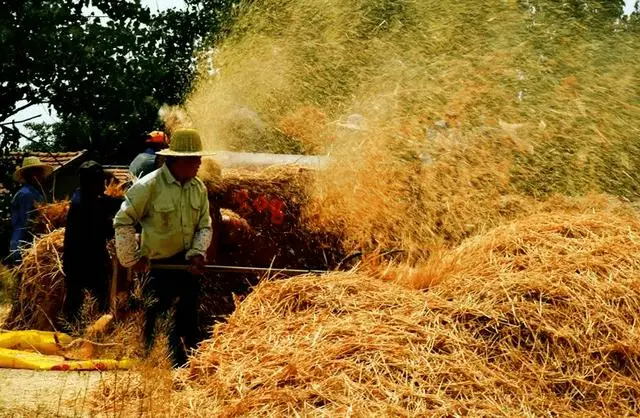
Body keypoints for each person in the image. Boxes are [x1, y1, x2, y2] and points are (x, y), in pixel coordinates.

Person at [114, 128, 214, 367]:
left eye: (199, 158)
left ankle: (185, 373)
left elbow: (204, 226)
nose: (200, 162)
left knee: (187, 322)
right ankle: (154, 373)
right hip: (158, 268)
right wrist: (131, 258)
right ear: (177, 159)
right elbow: (123, 220)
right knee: (158, 324)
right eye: (194, 158)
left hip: (186, 267)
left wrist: (197, 253)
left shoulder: (198, 188)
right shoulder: (149, 186)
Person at [62, 161, 123, 326]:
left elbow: (109, 202)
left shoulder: (89, 196)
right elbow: (104, 228)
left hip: (90, 258)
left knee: (91, 297)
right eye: (97, 182)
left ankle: (88, 331)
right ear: (87, 182)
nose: (102, 187)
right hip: (81, 261)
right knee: (83, 299)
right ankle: (74, 335)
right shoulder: (81, 204)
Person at [9, 156, 53, 264]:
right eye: (40, 173)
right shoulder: (26, 194)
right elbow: (28, 222)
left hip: (28, 242)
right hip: (23, 244)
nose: (43, 176)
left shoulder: (35, 193)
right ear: (33, 175)